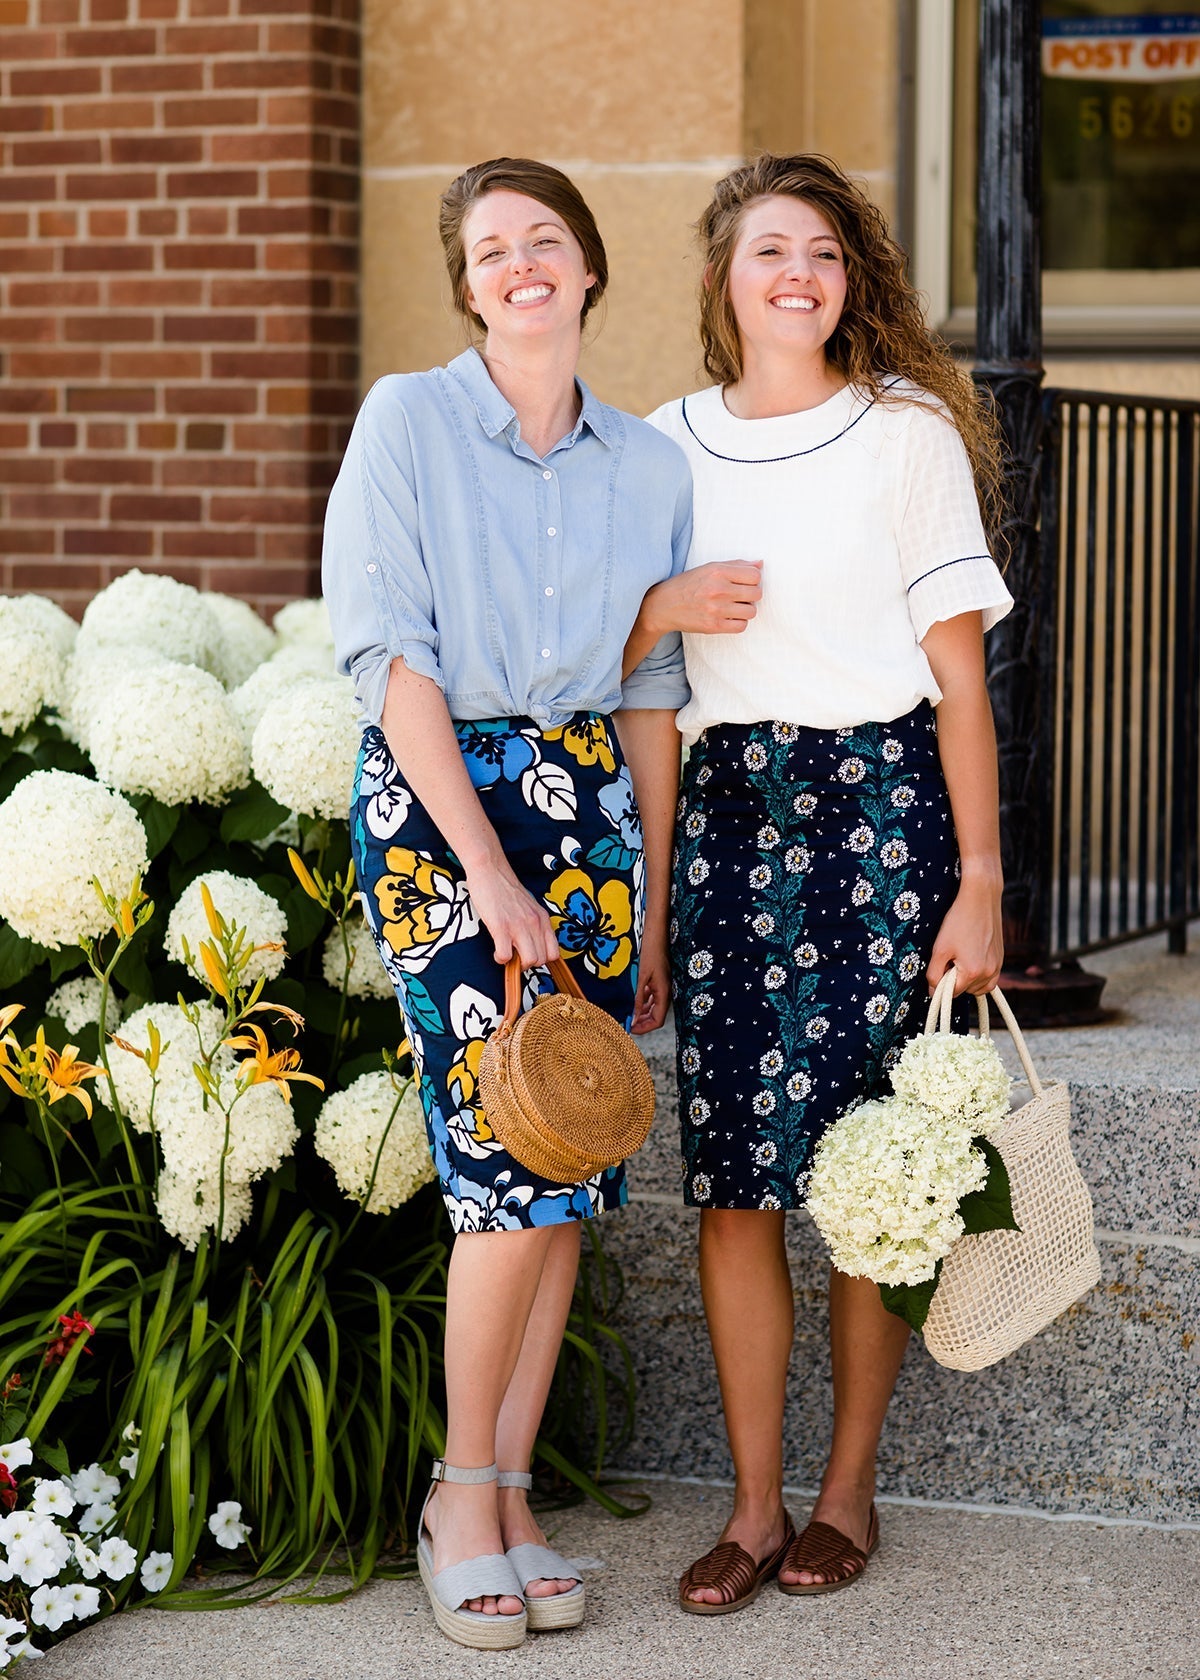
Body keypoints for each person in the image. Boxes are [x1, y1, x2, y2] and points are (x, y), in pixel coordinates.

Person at [623, 152, 1014, 1613]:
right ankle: (749, 1506)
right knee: (737, 1186)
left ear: (852, 284)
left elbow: (960, 686)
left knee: (870, 1186)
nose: (801, 275)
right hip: (731, 825)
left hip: (886, 817)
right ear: (726, 277)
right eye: (772, 250)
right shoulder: (664, 445)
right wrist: (654, 893)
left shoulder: (901, 433)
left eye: (828, 256)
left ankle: (846, 1491)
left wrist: (979, 881)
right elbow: (637, 685)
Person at [322, 157, 689, 1650]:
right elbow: (388, 657)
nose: (521, 263)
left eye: (545, 239)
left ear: (589, 268)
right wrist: (486, 871)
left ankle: (517, 1489)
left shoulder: (650, 464)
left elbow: (654, 695)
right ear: (467, 285)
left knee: (569, 1160)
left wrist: (649, 903)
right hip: (440, 802)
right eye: (490, 248)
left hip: (590, 801)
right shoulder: (407, 419)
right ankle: (457, 1491)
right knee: (497, 1163)